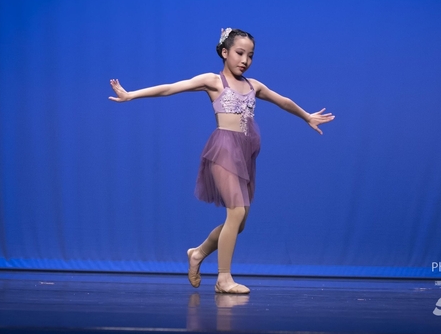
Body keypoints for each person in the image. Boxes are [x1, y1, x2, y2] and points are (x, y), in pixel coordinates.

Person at [109, 28, 335, 294]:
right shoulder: (214, 81)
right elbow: (171, 88)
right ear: (225, 52)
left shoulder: (253, 86)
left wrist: (307, 116)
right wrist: (131, 94)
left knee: (240, 222)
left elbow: (283, 101)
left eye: (250, 55)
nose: (245, 60)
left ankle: (197, 253)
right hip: (223, 150)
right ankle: (223, 278)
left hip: (246, 155)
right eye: (239, 53)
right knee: (235, 213)